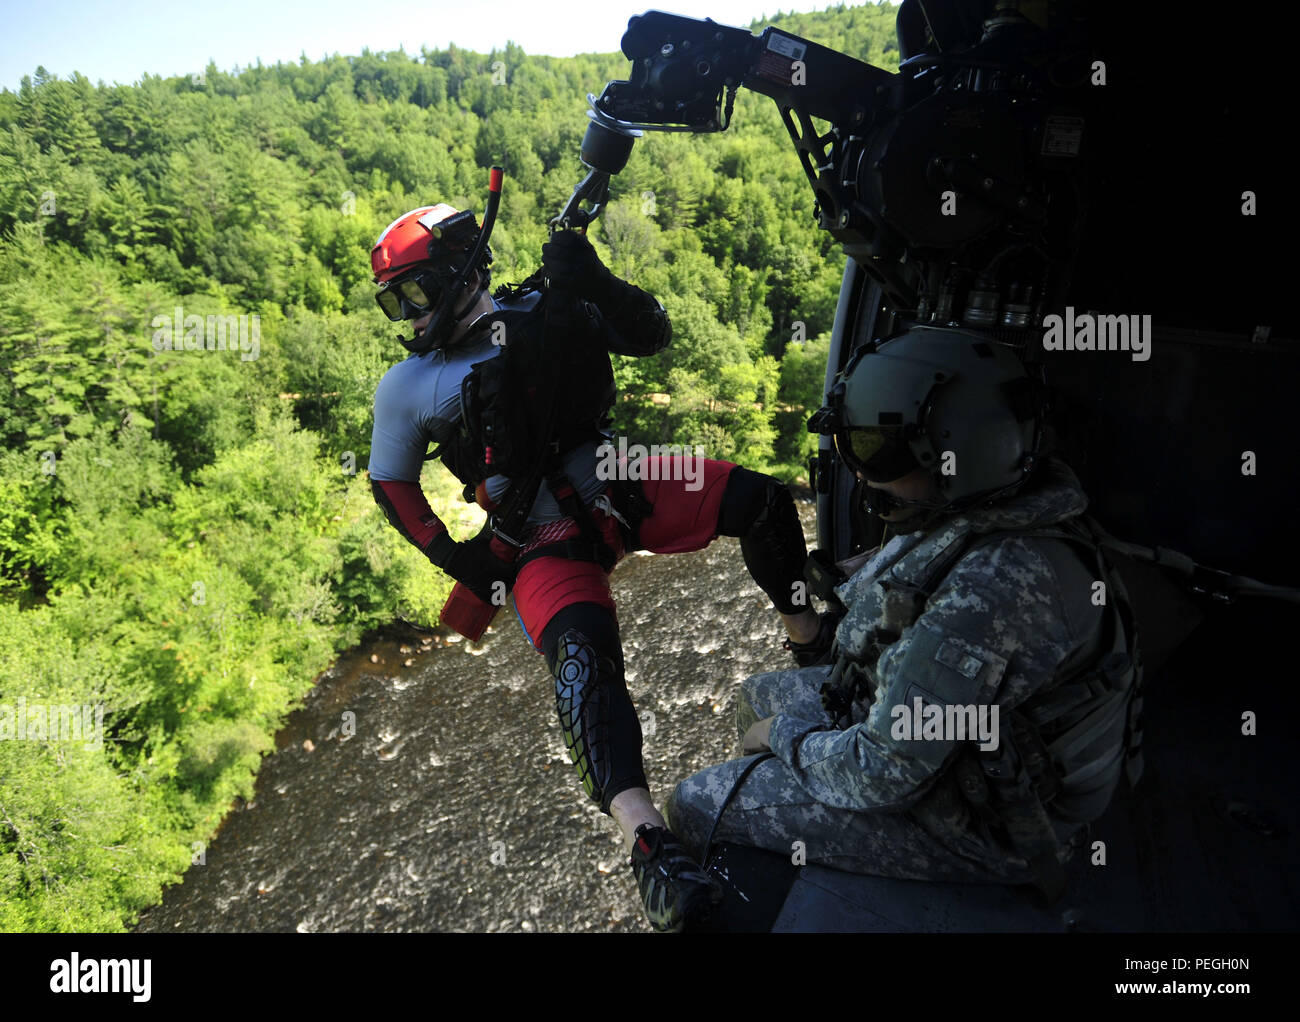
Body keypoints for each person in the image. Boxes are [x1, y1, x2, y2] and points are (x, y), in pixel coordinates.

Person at [365, 199, 840, 931]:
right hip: (538, 540)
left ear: (463, 271)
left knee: (764, 502)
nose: (408, 316)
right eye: (394, 301)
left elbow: (651, 333)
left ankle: (808, 640)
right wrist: (458, 560)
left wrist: (596, 281)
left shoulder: (551, 304)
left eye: (415, 293)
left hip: (619, 480)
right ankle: (649, 843)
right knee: (582, 661)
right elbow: (390, 485)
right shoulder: (405, 388)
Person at [665, 327, 1144, 903]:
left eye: (874, 450)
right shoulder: (1005, 498)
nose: (861, 472)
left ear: (952, 451)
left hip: (997, 821)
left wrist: (787, 739)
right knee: (755, 697)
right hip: (967, 743)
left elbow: (881, 771)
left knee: (694, 803)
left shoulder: (991, 593)